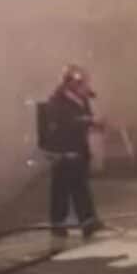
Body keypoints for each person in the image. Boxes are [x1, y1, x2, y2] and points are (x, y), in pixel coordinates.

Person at [42, 64, 105, 240]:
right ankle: (59, 225)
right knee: (61, 189)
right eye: (82, 82)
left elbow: (84, 120)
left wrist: (95, 124)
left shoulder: (82, 100)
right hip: (63, 150)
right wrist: (89, 121)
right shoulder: (57, 100)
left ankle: (88, 222)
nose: (85, 86)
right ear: (71, 83)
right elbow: (66, 122)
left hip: (78, 148)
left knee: (80, 186)